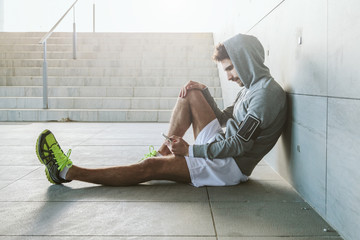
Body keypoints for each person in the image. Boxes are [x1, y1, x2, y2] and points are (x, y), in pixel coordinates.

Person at [36, 33, 287, 187]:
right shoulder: (252, 87)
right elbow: (224, 119)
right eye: (226, 70)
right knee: (191, 91)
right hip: (222, 145)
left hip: (229, 165)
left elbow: (239, 146)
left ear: (247, 61)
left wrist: (191, 150)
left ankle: (66, 172)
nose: (230, 76)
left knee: (148, 169)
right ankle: (161, 153)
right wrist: (205, 91)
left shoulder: (265, 95)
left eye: (232, 68)